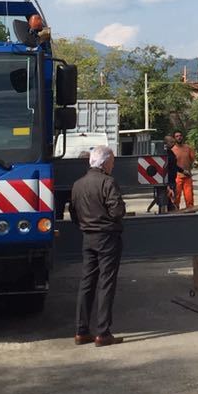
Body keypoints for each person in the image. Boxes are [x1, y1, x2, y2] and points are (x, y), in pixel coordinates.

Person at [69, 144, 125, 346]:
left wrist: (86, 225)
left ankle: (81, 331)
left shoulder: (78, 184)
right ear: (105, 162)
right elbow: (117, 211)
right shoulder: (108, 182)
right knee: (106, 283)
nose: (113, 165)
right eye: (112, 162)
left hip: (88, 236)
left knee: (87, 282)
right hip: (107, 237)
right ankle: (103, 332)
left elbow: (74, 213)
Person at [169, 131, 196, 210]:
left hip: (187, 176)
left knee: (189, 196)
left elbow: (193, 160)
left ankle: (190, 209)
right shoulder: (172, 150)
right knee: (176, 196)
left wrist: (195, 163)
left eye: (180, 135)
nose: (179, 137)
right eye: (177, 136)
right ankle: (176, 210)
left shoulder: (188, 148)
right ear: (174, 138)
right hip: (177, 176)